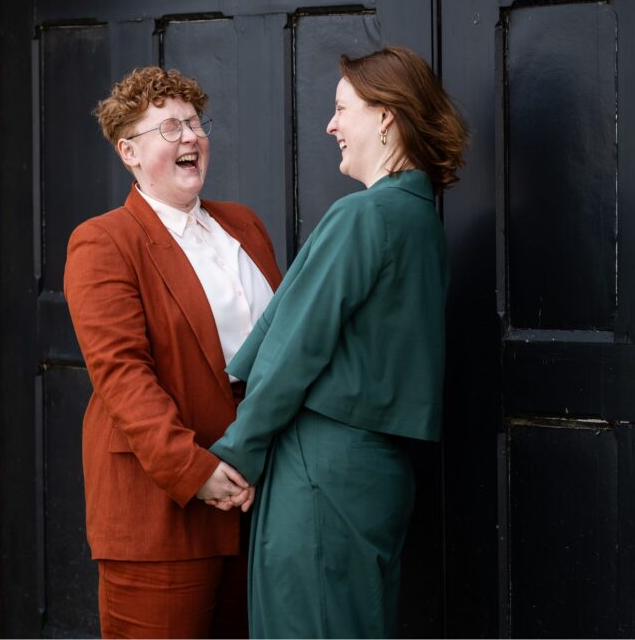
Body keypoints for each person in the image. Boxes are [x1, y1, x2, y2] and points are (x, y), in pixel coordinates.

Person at [209, 45, 469, 638]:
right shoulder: (422, 222)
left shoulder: (365, 216)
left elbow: (293, 349)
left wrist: (238, 451)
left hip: (321, 470)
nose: (330, 125)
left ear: (385, 117)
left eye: (341, 108)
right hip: (378, 473)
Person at [64, 66, 281, 639]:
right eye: (169, 127)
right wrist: (196, 470)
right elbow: (121, 376)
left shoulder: (245, 225)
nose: (190, 136)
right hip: (162, 508)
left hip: (256, 501)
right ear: (128, 152)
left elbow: (282, 351)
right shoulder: (103, 241)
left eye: (194, 122)